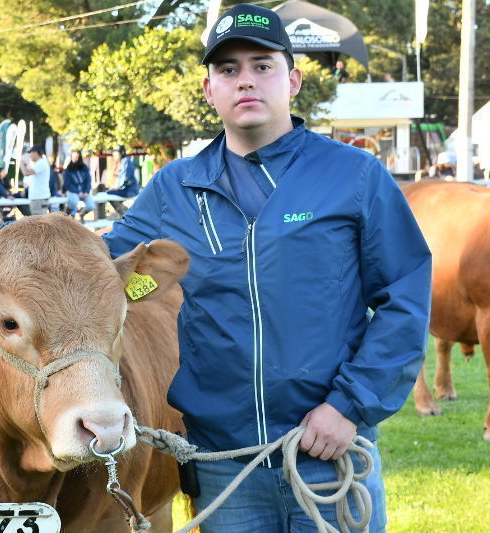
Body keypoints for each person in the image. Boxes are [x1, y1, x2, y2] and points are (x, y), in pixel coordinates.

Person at [102, 4, 432, 531]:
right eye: (228, 70)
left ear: (294, 80)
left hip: (328, 453)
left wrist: (350, 406)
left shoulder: (354, 175)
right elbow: (98, 264)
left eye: (263, 65)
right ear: (210, 90)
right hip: (224, 467)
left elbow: (405, 298)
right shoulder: (174, 189)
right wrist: (19, 249)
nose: (245, 81)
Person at [106, 145, 140, 216]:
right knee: (109, 194)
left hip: (130, 189)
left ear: (121, 153)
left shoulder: (126, 161)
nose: (114, 156)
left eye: (116, 154)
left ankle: (125, 215)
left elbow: (126, 177)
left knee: (109, 193)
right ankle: (126, 214)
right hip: (127, 188)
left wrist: (118, 187)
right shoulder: (122, 162)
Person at [20, 146, 51, 216]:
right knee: (40, 222)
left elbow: (26, 173)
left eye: (30, 153)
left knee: (38, 223)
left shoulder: (41, 163)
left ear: (35, 153)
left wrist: (21, 162)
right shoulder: (41, 163)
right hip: (40, 198)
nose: (29, 156)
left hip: (38, 198)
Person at [63, 150, 95, 218]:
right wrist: (78, 192)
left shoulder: (84, 168)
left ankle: (81, 214)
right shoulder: (68, 169)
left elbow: (88, 181)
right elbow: (67, 184)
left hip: (84, 191)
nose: (75, 158)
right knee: (74, 202)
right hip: (73, 191)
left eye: (77, 157)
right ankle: (66, 215)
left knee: (91, 206)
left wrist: (86, 192)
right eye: (73, 156)